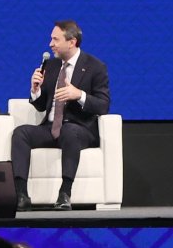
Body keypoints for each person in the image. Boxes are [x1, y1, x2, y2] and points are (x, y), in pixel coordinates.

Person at [10, 21, 110, 210]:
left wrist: (78, 95)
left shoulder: (95, 67)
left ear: (71, 42)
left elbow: (103, 105)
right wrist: (35, 90)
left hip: (79, 129)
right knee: (20, 133)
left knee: (69, 131)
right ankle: (21, 194)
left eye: (55, 39)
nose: (50, 44)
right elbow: (41, 106)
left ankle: (65, 194)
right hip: (50, 128)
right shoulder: (53, 65)